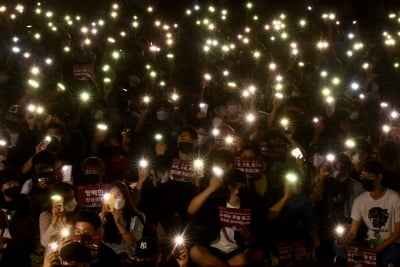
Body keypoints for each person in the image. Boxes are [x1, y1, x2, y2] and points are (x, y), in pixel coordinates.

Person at [188, 160, 263, 266]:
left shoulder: (249, 206)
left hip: (237, 250)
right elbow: (191, 210)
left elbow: (254, 241)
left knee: (255, 254)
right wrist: (211, 188)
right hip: (214, 246)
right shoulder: (216, 201)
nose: (237, 190)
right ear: (229, 187)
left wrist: (247, 236)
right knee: (195, 252)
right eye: (235, 186)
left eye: (241, 186)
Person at [334, 160, 400, 266]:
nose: (365, 180)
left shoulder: (394, 198)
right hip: (369, 243)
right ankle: (371, 260)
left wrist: (377, 250)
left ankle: (368, 260)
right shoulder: (359, 200)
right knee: (338, 247)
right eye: (363, 177)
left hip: (389, 244)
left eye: (369, 177)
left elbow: (397, 232)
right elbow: (352, 231)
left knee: (394, 252)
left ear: (379, 177)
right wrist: (344, 241)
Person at [101, 181, 145, 262]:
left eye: (118, 195)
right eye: (112, 196)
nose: (115, 199)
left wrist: (118, 224)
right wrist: (102, 216)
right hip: (106, 257)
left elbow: (132, 242)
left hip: (126, 258)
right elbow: (96, 237)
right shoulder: (103, 216)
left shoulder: (136, 217)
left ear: (125, 196)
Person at [39, 182, 77, 247]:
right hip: (54, 254)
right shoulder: (46, 216)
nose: (73, 201)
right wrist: (55, 219)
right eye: (70, 199)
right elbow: (44, 242)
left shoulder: (75, 215)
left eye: (73, 198)